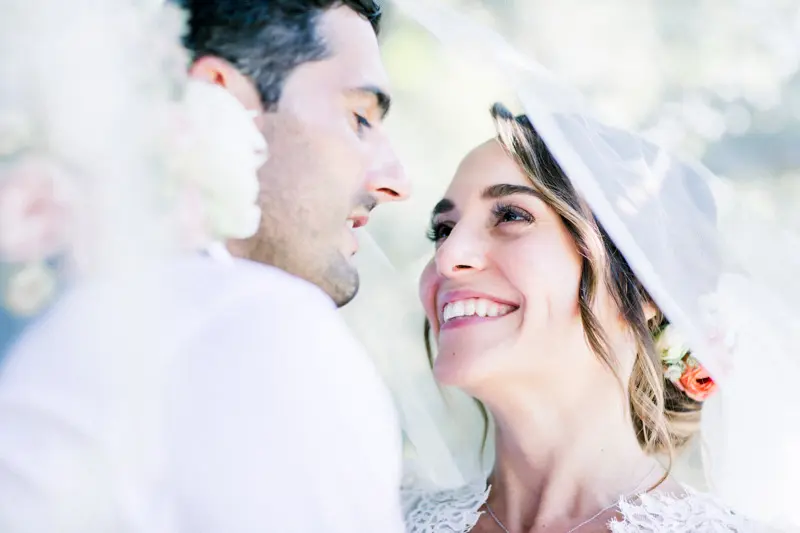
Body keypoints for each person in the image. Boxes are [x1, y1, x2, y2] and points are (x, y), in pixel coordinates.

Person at [0, 1, 410, 532]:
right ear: (220, 95)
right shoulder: (259, 327)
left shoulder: (64, 314)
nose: (396, 180)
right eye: (360, 119)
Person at [402, 104, 773, 532]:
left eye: (511, 216)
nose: (447, 258)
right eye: (443, 229)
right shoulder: (372, 517)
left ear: (643, 283)